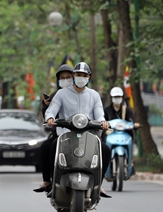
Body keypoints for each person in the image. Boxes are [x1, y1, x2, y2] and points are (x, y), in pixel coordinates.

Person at [39, 62, 112, 198]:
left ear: (89, 77)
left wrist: (103, 122)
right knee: (52, 146)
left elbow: (99, 113)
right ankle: (53, 182)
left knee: (106, 150)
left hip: (88, 135)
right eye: (78, 74)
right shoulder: (61, 94)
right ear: (74, 75)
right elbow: (51, 110)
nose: (81, 77)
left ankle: (98, 184)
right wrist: (50, 118)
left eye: (84, 75)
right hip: (65, 135)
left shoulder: (94, 95)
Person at [37, 64, 74, 188]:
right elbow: (49, 114)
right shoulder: (57, 95)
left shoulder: (88, 94)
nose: (65, 80)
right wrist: (46, 106)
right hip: (61, 132)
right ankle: (49, 180)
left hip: (83, 132)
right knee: (47, 147)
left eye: (68, 77)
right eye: (62, 78)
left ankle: (98, 183)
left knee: (102, 148)